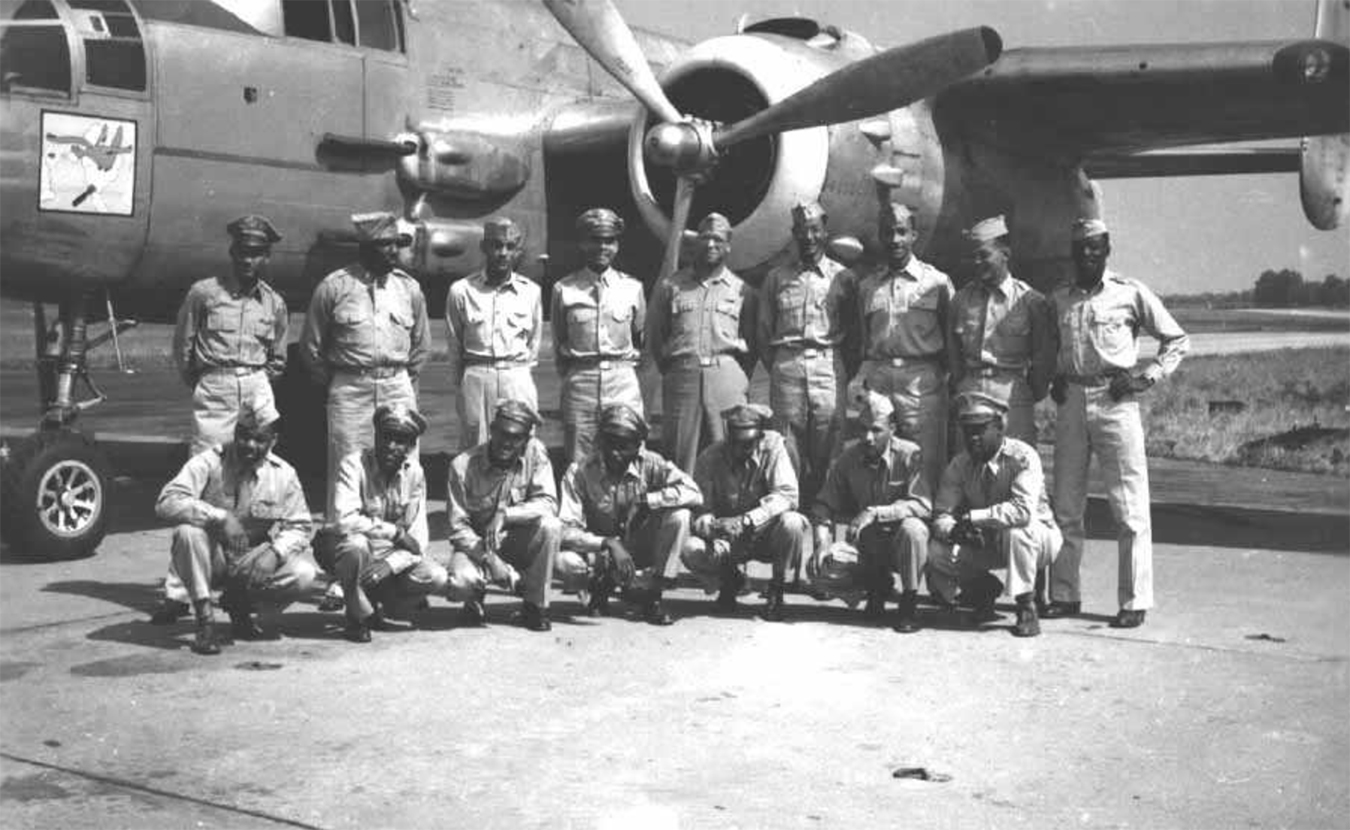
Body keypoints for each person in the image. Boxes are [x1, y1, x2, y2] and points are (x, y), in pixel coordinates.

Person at [1046, 218, 1189, 629]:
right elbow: (1055, 345)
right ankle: (1064, 594)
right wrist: (1057, 375)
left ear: (1106, 250)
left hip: (1116, 400)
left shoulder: (1129, 293)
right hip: (1072, 402)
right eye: (1080, 249)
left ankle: (1134, 600)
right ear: (1072, 255)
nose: (1086, 255)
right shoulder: (1060, 299)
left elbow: (1176, 339)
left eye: (1094, 247)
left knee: (1128, 506)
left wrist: (1147, 376)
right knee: (1067, 506)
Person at [298, 211, 430, 520]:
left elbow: (421, 346)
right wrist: (339, 382)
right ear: (366, 247)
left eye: (397, 244)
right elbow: (311, 347)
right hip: (350, 389)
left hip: (397, 384)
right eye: (386, 245)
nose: (394, 251)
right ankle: (344, 543)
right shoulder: (334, 287)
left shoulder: (409, 289)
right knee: (347, 461)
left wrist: (399, 380)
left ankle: (405, 540)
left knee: (405, 463)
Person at [152, 410, 316, 655]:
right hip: (212, 556)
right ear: (235, 433)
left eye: (259, 440)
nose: (250, 445)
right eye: (244, 437)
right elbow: (166, 502)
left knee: (303, 574)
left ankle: (240, 607)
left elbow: (300, 525)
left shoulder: (283, 474)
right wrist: (220, 517)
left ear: (273, 441)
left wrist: (275, 553)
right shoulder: (208, 461)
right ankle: (204, 619)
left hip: (251, 557)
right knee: (187, 532)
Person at [927, 392, 1061, 638]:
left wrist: (974, 518)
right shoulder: (960, 465)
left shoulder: (1023, 456)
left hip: (1038, 539)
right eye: (967, 431)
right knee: (936, 551)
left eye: (980, 429)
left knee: (1017, 532)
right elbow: (940, 515)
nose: (973, 438)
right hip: (988, 541)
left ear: (1000, 428)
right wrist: (955, 530)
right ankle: (983, 589)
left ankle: (1026, 605)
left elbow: (1021, 512)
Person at [557, 404, 702, 625]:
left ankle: (653, 595)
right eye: (610, 444)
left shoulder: (652, 463)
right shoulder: (580, 471)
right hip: (601, 552)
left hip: (641, 546)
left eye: (624, 446)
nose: (615, 453)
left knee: (680, 516)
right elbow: (565, 529)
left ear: (638, 446)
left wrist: (650, 500)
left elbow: (694, 493)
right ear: (601, 442)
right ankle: (599, 586)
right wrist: (606, 543)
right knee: (564, 561)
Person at [315, 404, 447, 644]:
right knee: (356, 546)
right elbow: (345, 520)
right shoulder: (353, 464)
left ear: (411, 447)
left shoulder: (415, 473)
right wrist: (394, 532)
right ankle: (357, 616)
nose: (391, 445)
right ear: (376, 436)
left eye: (401, 440)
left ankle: (378, 599)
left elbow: (417, 541)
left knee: (436, 575)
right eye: (386, 437)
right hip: (351, 549)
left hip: (387, 555)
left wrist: (390, 564)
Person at [757, 200, 857, 503]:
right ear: (794, 234)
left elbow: (855, 336)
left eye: (814, 230)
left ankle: (824, 512)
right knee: (787, 444)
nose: (809, 237)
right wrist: (782, 364)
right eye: (802, 231)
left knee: (830, 444)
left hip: (828, 366)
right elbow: (763, 331)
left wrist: (839, 367)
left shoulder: (843, 278)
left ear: (825, 231)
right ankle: (789, 509)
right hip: (787, 366)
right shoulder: (777, 278)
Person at [645, 213, 758, 472]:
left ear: (728, 246)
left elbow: (753, 343)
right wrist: (679, 367)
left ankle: (726, 509)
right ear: (696, 242)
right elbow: (657, 337)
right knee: (679, 451)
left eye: (718, 239)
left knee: (730, 448)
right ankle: (680, 510)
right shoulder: (670, 286)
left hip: (726, 376)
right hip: (683, 375)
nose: (710, 245)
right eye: (705, 238)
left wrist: (733, 371)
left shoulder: (743, 291)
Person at [810, 391, 931, 632]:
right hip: (868, 548)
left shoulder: (910, 455)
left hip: (902, 547)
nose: (867, 437)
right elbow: (824, 504)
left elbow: (923, 505)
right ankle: (876, 588)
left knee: (914, 528)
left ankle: (909, 601)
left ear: (892, 428)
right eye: (862, 429)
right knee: (822, 569)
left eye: (876, 430)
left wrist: (877, 512)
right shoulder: (848, 458)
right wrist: (821, 543)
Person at [854, 202, 954, 490]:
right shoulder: (868, 286)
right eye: (888, 233)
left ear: (914, 236)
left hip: (921, 380)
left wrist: (940, 376)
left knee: (924, 459)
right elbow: (862, 339)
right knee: (877, 453)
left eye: (901, 232)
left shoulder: (936, 282)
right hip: (881, 377)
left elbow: (951, 338)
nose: (894, 240)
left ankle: (923, 519)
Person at [682, 404, 811, 621]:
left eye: (748, 443)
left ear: (760, 437)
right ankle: (729, 580)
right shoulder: (709, 457)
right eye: (735, 442)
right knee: (691, 549)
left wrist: (747, 519)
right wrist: (713, 524)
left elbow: (788, 495)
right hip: (727, 537)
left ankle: (777, 588)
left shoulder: (774, 449)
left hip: (766, 534)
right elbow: (699, 507)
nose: (740, 449)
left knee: (793, 523)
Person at [173, 214, 288, 455]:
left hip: (256, 386)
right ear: (232, 252)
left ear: (266, 258)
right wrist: (207, 380)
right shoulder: (204, 293)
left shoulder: (274, 303)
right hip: (215, 388)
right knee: (207, 460)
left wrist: (256, 381)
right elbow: (183, 347)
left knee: (258, 463)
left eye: (256, 253)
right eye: (242, 251)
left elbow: (277, 359)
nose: (248, 259)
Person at [445, 400, 562, 632]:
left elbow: (548, 503)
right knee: (461, 582)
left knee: (550, 526)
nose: (507, 443)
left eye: (516, 437)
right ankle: (474, 597)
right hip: (476, 546)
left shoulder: (536, 453)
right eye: (502, 434)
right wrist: (489, 558)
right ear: (491, 429)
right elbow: (458, 528)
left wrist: (506, 514)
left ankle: (535, 604)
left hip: (513, 540)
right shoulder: (462, 465)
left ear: (526, 439)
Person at [947, 215, 1055, 446]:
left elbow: (1043, 357)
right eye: (973, 256)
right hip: (971, 391)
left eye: (984, 255)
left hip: (1012, 395)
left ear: (1005, 253)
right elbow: (953, 354)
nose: (977, 262)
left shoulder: (1030, 301)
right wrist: (963, 384)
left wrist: (1025, 393)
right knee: (969, 467)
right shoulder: (960, 300)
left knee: (1016, 466)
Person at [552, 208, 647, 463]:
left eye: (609, 240)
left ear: (617, 245)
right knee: (579, 457)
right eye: (595, 239)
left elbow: (641, 339)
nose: (603, 247)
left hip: (622, 381)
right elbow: (559, 342)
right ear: (583, 243)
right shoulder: (564, 289)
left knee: (628, 451)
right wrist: (577, 373)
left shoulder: (632, 288)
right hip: (581, 380)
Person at [445, 217, 542, 451]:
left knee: (521, 444)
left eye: (510, 247)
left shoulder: (531, 292)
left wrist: (516, 371)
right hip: (477, 376)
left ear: (518, 251)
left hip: (516, 376)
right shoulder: (462, 291)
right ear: (484, 247)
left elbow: (534, 343)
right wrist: (465, 383)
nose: (503, 253)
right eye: (496, 246)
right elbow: (454, 346)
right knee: (474, 446)